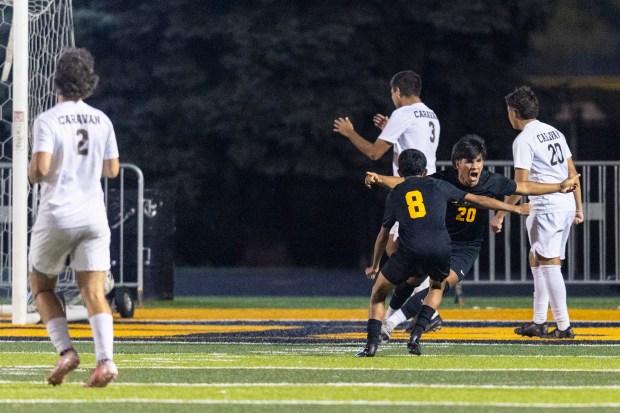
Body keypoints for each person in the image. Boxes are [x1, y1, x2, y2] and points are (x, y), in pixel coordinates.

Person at [364, 135, 580, 341]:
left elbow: (524, 186)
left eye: (479, 161)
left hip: (465, 248)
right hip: (441, 241)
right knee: (409, 282)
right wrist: (380, 178)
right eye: (469, 161)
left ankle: (390, 324)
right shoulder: (442, 179)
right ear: (458, 163)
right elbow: (410, 183)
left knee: (440, 286)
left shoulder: (490, 181)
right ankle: (388, 319)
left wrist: (558, 187)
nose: (475, 166)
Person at [356, 149, 532, 357]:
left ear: (400, 172)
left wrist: (375, 265)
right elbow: (479, 201)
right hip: (441, 248)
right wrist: (515, 210)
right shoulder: (439, 185)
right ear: (426, 171)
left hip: (410, 249)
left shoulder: (396, 193)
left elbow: (383, 234)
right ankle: (416, 335)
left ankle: (371, 345)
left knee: (378, 293)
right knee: (436, 287)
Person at [28, 48, 120, 387]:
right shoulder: (102, 119)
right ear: (88, 84)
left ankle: (66, 350)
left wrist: (32, 174)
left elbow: (39, 169)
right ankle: (106, 362)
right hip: (93, 216)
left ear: (57, 82)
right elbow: (111, 169)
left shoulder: (49, 119)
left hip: (58, 215)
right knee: (94, 291)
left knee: (41, 284)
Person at [490, 86, 583, 339]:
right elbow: (572, 172)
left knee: (550, 263)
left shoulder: (524, 139)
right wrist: (578, 206)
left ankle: (564, 327)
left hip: (547, 207)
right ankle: (539, 322)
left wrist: (501, 214)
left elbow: (520, 185)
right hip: (562, 206)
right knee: (537, 257)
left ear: (513, 111)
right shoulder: (554, 132)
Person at [334, 70, 439, 256]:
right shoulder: (431, 115)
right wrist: (389, 129)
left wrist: (350, 133)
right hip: (429, 186)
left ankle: (420, 285)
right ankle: (417, 284)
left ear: (397, 91)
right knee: (395, 246)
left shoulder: (403, 113)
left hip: (410, 188)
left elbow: (374, 153)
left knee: (398, 249)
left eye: (392, 93)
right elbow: (414, 144)